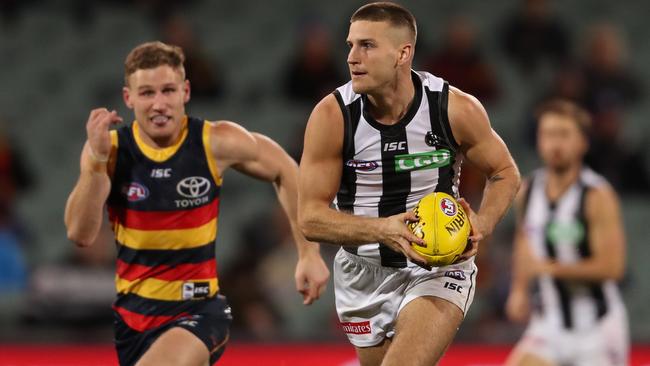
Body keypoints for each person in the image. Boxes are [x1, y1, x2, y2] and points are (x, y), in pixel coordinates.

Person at [64, 41, 329, 366]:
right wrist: (95, 162)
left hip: (200, 311)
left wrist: (308, 253)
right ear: (128, 98)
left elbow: (287, 169)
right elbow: (81, 233)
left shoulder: (215, 141)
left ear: (186, 91)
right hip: (133, 320)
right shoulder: (110, 151)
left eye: (168, 90)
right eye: (147, 93)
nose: (159, 103)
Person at [298, 3, 520, 365]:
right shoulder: (332, 116)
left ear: (403, 53)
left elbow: (505, 172)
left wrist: (482, 223)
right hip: (361, 272)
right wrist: (385, 230)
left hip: (437, 265)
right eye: (350, 45)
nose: (353, 57)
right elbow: (310, 218)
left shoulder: (453, 108)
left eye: (367, 45)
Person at [505, 100, 629, 366]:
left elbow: (612, 266)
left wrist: (549, 268)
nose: (555, 144)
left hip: (596, 328)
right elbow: (523, 239)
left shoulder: (597, 195)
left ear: (583, 143)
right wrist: (519, 290)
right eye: (547, 134)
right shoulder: (529, 190)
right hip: (549, 324)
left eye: (563, 134)